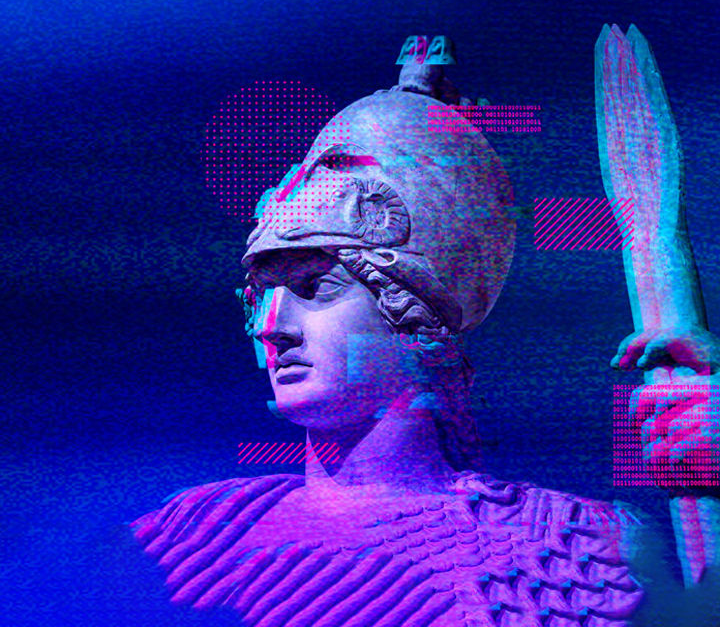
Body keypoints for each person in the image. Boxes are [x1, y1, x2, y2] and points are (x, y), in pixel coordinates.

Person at [131, 53, 719, 626]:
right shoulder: (197, 532)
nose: (271, 326)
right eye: (262, 295)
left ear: (413, 316)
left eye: (316, 287)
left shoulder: (586, 546)